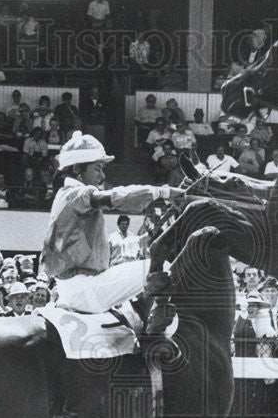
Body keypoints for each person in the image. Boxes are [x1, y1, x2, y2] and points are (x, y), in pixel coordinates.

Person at [41, 132, 184, 330]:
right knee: (166, 269)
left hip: (72, 289)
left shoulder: (65, 196)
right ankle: (154, 336)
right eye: (98, 168)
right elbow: (118, 197)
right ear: (76, 169)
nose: (103, 175)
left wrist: (140, 241)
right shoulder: (78, 193)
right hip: (85, 290)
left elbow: (95, 250)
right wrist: (163, 191)